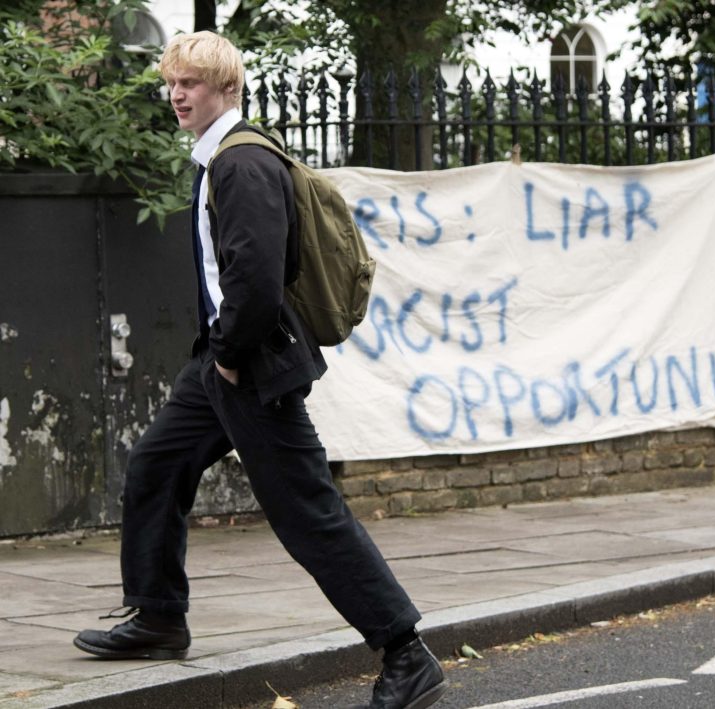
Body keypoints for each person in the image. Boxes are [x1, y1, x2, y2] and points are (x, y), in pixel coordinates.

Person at [73, 31, 447, 709]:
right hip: (219, 366)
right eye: (172, 83)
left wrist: (229, 357)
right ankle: (158, 615)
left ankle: (405, 652)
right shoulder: (221, 159)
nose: (176, 94)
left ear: (224, 87)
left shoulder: (242, 165)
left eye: (189, 83)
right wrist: (214, 361)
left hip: (251, 365)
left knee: (308, 513)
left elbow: (257, 282)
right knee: (156, 466)